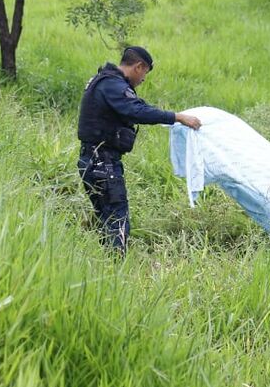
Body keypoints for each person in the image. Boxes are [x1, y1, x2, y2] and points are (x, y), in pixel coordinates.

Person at [77, 46, 201, 255]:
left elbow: (135, 106)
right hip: (102, 163)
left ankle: (104, 266)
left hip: (92, 160)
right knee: (117, 220)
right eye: (145, 73)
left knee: (106, 220)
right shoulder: (112, 85)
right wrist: (177, 117)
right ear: (139, 66)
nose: (143, 79)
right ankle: (115, 269)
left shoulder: (104, 81)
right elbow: (137, 111)